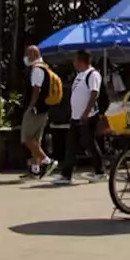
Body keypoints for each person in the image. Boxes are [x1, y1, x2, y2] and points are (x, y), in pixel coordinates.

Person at [53, 51, 103, 185]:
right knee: (71, 145)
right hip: (76, 117)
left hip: (88, 116)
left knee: (89, 143)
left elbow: (94, 93)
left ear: (82, 61)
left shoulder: (93, 74)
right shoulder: (80, 75)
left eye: (75, 60)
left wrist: (86, 112)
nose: (73, 63)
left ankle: (100, 171)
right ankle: (66, 174)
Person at [20, 46, 56, 179]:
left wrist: (31, 106)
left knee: (27, 138)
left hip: (36, 109)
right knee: (35, 139)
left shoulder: (37, 69)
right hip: (43, 108)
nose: (26, 57)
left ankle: (47, 161)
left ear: (34, 54)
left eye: (27, 54)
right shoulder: (45, 67)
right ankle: (35, 169)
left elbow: (36, 90)